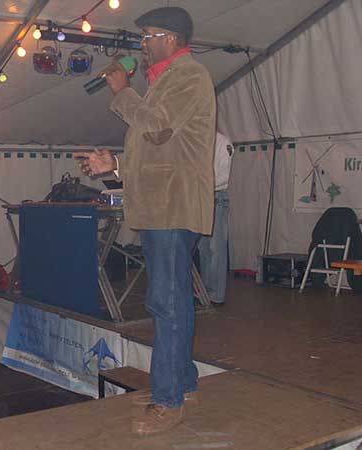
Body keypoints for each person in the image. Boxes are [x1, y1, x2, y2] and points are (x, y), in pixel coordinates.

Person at [75, 6, 216, 436]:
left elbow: (155, 128)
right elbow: (161, 148)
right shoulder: (163, 82)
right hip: (162, 204)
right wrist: (114, 165)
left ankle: (167, 400)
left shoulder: (189, 76)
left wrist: (122, 91)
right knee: (174, 300)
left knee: (165, 302)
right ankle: (183, 384)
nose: (141, 45)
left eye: (147, 36)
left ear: (171, 39)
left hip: (174, 206)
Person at [198, 131, 233, 305]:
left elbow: (223, 177)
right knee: (203, 247)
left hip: (216, 197)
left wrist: (200, 183)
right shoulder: (198, 139)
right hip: (202, 197)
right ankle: (206, 290)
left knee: (215, 247)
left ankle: (217, 294)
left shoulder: (222, 142)